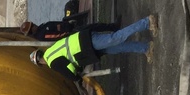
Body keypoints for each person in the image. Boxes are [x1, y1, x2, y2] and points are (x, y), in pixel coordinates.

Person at [29, 15, 158, 79]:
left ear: (41, 63)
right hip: (85, 42)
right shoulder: (50, 50)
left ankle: (147, 22)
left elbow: (69, 71)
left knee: (116, 38)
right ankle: (145, 48)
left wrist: (78, 78)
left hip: (86, 45)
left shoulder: (52, 62)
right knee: (118, 47)